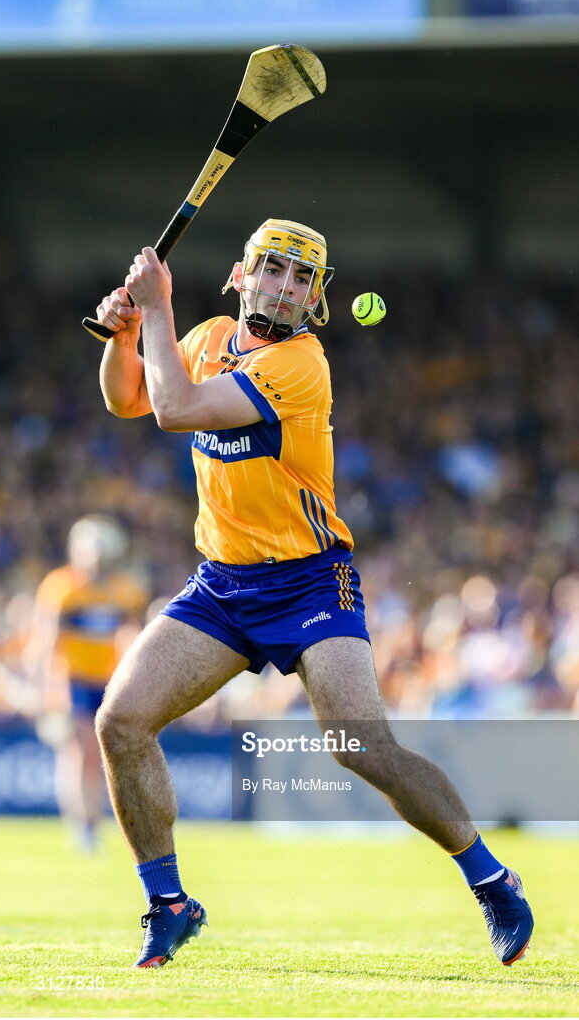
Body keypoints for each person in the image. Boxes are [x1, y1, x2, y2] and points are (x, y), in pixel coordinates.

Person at [93, 219, 534, 969]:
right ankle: (168, 903)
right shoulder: (206, 338)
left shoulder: (301, 365)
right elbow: (128, 398)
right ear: (241, 275)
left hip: (307, 580)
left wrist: (156, 308)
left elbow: (176, 411)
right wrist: (126, 335)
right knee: (120, 722)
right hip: (222, 584)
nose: (286, 287)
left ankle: (492, 879)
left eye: (303, 279)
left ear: (316, 298)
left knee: (360, 745)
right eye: (274, 269)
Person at [25, 514, 147, 849]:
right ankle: (83, 826)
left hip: (109, 682)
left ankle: (95, 822)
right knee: (78, 753)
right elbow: (47, 641)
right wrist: (46, 688)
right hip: (72, 680)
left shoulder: (124, 589)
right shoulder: (61, 586)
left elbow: (136, 637)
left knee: (98, 755)